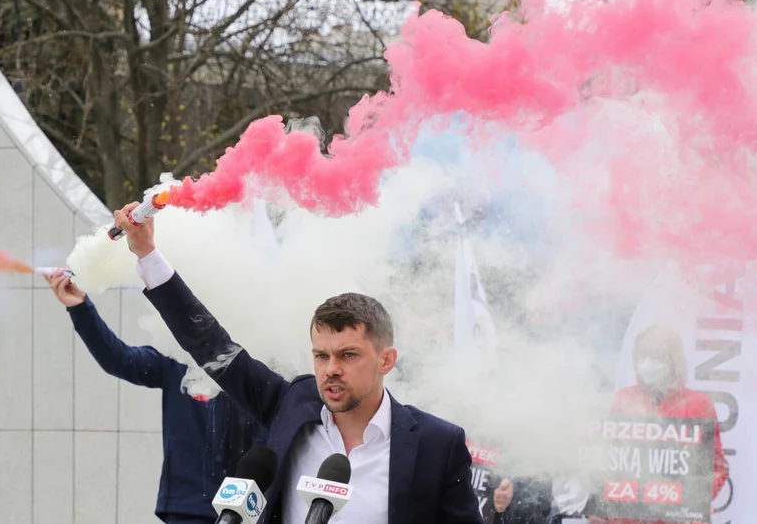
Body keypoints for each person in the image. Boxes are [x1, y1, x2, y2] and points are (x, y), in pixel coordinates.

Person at [112, 202, 483, 524]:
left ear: (386, 360)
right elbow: (211, 346)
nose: (331, 368)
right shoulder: (291, 404)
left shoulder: (437, 444)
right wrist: (146, 253)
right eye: (321, 355)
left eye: (348, 355)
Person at [45, 271, 267, 524]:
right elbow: (120, 359)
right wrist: (80, 308)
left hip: (247, 512)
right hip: (189, 508)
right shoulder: (176, 359)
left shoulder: (259, 368)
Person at [593, 324, 728, 524]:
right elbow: (600, 461)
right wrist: (598, 510)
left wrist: (693, 503)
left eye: (655, 357)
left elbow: (717, 468)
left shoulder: (698, 405)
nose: (646, 364)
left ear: (673, 361)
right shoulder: (620, 402)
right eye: (641, 357)